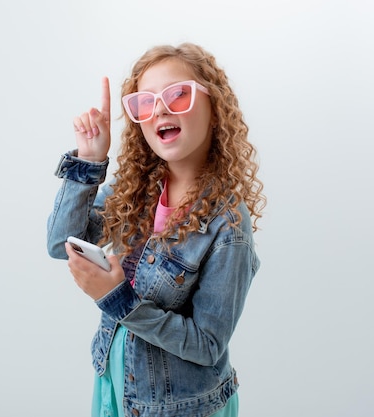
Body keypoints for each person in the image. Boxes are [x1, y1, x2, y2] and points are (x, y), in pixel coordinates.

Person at [46, 42, 265, 417]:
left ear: (215, 110)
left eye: (178, 94)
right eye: (144, 102)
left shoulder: (228, 225)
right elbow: (59, 243)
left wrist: (117, 299)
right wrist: (90, 162)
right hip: (115, 385)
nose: (160, 108)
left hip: (181, 409)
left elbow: (207, 345)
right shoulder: (137, 187)